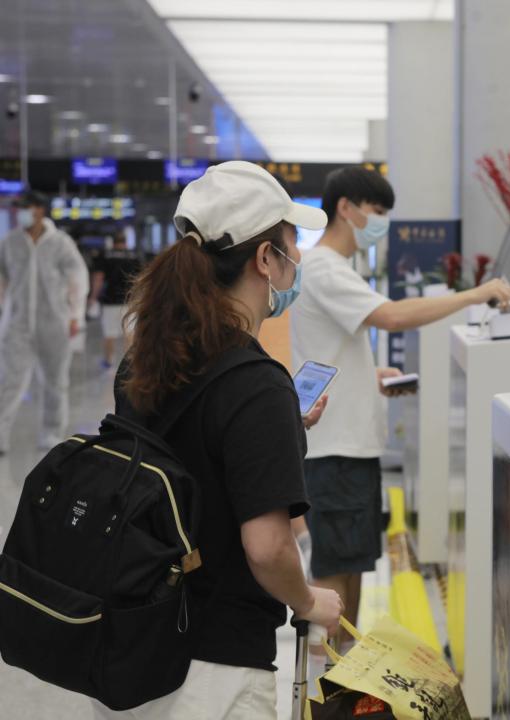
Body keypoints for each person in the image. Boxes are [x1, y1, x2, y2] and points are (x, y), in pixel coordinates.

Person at [101, 161, 343, 719]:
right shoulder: (256, 385)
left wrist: (279, 435)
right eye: (291, 244)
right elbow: (266, 548)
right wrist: (309, 601)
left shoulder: (145, 361)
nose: (298, 259)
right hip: (215, 671)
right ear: (264, 259)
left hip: (133, 648)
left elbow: (187, 452)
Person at [289, 166, 510, 650]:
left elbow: (328, 350)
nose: (381, 224)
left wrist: (372, 377)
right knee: (336, 568)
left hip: (344, 443)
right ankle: (329, 676)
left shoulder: (335, 268)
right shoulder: (326, 266)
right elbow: (391, 317)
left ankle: (342, 667)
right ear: (346, 208)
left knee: (349, 563)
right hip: (334, 446)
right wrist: (478, 293)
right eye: (376, 213)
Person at [0, 190, 89, 453]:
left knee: (55, 383)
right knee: (9, 382)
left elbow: (78, 278)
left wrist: (75, 315)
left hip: (54, 324)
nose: (21, 213)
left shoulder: (60, 243)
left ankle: (51, 434)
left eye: (26, 207)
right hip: (18, 324)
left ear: (40, 209)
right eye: (19, 208)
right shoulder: (10, 242)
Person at [90, 233, 144, 368]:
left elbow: (99, 278)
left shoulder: (105, 256)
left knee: (109, 333)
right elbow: (141, 279)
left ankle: (108, 361)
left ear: (113, 242)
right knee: (130, 333)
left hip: (110, 300)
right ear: (125, 242)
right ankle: (130, 364)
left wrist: (93, 297)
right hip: (129, 301)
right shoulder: (134, 256)